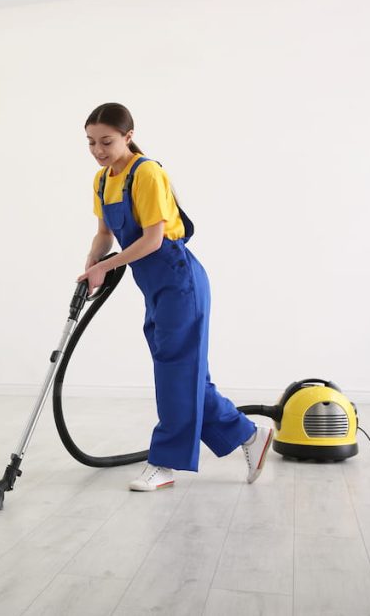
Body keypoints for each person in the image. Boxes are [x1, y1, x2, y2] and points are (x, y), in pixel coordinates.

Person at [78, 103, 271, 491]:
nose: (98, 150)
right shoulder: (102, 180)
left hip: (179, 279)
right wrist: (91, 266)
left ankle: (164, 464)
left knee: (174, 370)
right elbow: (104, 234)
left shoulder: (147, 172)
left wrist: (108, 267)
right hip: (153, 284)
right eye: (91, 142)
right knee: (183, 369)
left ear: (128, 136)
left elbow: (152, 239)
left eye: (107, 141)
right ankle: (248, 435)